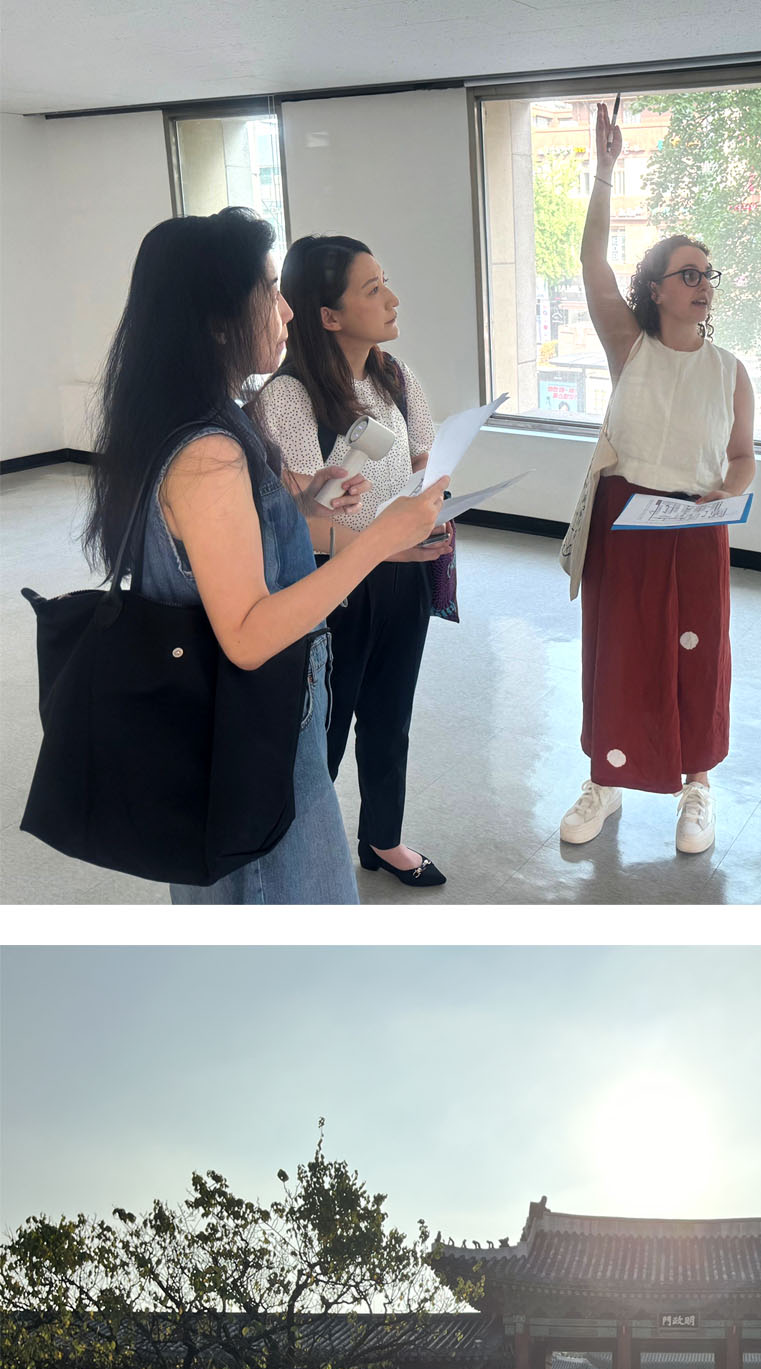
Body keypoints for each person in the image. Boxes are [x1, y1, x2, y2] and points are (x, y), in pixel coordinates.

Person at [81, 208, 448, 905]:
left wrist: (303, 506)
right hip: (249, 736)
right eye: (269, 289)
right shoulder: (211, 451)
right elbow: (248, 636)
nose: (285, 308)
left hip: (242, 732)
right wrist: (380, 538)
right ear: (218, 318)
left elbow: (216, 554)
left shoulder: (196, 426)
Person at [559, 99, 756, 858]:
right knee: (618, 649)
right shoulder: (628, 346)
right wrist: (606, 172)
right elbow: (591, 263)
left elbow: (741, 455)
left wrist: (732, 491)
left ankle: (697, 786)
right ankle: (604, 782)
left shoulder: (731, 370)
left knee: (698, 652)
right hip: (626, 515)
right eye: (688, 273)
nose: (704, 283)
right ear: (659, 288)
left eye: (709, 273)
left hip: (699, 526)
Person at [255, 235, 454, 890]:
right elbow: (305, 523)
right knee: (324, 734)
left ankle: (383, 839)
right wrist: (386, 539)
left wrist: (436, 502)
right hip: (334, 586)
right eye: (372, 290)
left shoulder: (395, 376)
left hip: (404, 575)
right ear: (328, 315)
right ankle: (297, 854)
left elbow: (427, 463)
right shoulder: (290, 398)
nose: (392, 299)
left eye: (385, 282)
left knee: (390, 716)